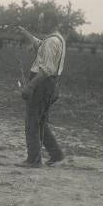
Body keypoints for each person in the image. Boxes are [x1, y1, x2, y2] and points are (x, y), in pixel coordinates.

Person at [14, 19, 66, 168]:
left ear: (51, 22)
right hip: (50, 84)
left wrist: (30, 86)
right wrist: (26, 34)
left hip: (41, 83)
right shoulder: (56, 38)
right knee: (41, 121)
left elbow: (46, 69)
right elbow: (40, 46)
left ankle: (33, 160)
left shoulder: (51, 42)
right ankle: (56, 154)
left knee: (32, 121)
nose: (40, 23)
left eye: (43, 20)